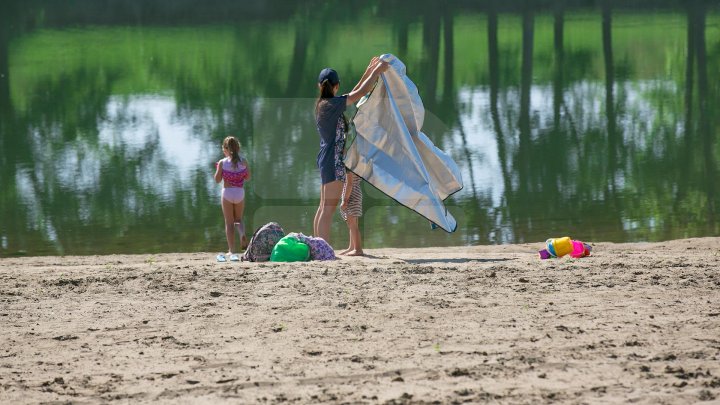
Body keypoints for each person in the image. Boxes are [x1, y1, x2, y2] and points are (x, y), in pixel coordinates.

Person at [312, 57, 389, 245]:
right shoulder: (332, 104)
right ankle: (323, 250)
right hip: (332, 161)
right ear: (336, 86)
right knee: (328, 210)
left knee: (323, 207)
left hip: (326, 160)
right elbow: (360, 92)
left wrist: (370, 68)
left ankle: (317, 247)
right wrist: (378, 70)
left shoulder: (324, 104)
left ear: (319, 86)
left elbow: (355, 91)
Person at [214, 136, 251, 262]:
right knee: (239, 219)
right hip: (239, 192)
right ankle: (242, 234)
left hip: (227, 193)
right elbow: (248, 177)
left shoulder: (222, 163)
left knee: (229, 222)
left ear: (225, 149)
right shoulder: (244, 161)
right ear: (238, 148)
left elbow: (217, 180)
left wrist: (218, 169)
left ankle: (231, 250)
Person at [339, 171, 363, 256]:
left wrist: (344, 201)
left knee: (352, 223)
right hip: (355, 192)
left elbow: (349, 184)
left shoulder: (349, 166)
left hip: (351, 195)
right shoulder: (357, 164)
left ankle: (358, 249)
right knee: (352, 223)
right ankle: (352, 247)